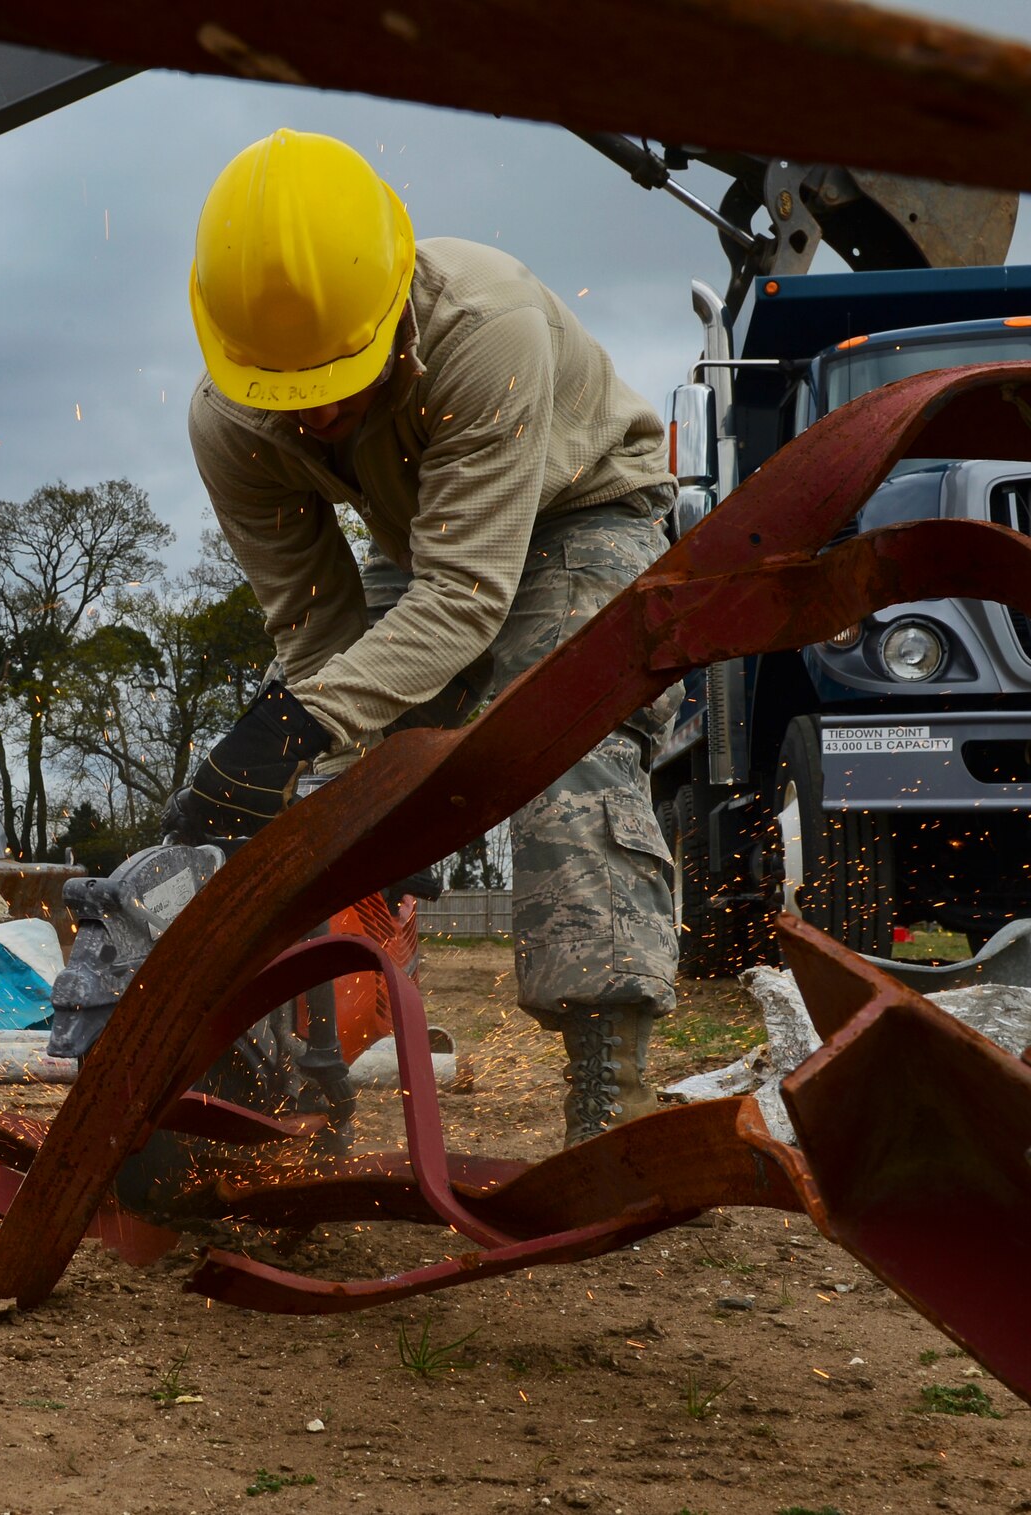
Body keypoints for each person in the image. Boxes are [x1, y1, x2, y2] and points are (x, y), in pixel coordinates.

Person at [175, 127, 681, 1145]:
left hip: (582, 513)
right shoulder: (227, 422)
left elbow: (465, 595)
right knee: (324, 790)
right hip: (433, 539)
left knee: (562, 749)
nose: (314, 414)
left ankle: (605, 1081)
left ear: (393, 312)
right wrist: (356, 781)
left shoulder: (486, 327)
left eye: (338, 381)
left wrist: (292, 721)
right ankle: (302, 1071)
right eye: (290, 393)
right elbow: (316, 628)